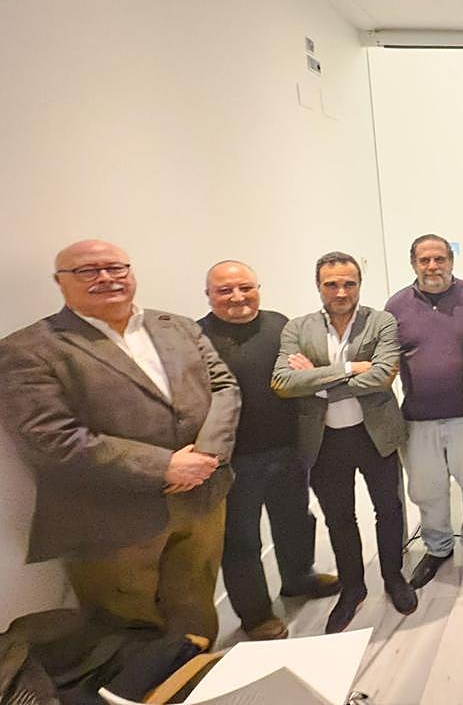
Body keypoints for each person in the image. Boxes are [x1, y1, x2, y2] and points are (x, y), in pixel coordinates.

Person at [0, 240, 239, 645]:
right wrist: (165, 466)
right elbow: (50, 437)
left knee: (196, 608)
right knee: (128, 630)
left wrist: (207, 454)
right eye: (87, 271)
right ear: (60, 283)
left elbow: (224, 386)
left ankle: (197, 679)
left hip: (201, 498)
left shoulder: (177, 325)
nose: (106, 278)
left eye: (116, 267)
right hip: (109, 518)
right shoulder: (28, 349)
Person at [272, 251, 416, 634]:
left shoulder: (381, 321)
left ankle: (393, 575)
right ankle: (352, 588)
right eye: (331, 284)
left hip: (375, 435)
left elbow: (383, 375)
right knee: (340, 518)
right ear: (318, 285)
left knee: (388, 508)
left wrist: (317, 381)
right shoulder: (297, 328)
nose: (340, 291)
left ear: (359, 285)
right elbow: (284, 383)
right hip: (324, 441)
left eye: (349, 283)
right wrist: (349, 369)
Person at [198, 260, 339, 641]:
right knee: (241, 539)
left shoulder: (279, 324)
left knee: (295, 520)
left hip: (288, 448)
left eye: (245, 287)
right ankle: (256, 615)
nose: (237, 297)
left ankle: (298, 578)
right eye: (224, 291)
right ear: (208, 295)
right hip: (233, 459)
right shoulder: (197, 337)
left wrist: (308, 368)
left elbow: (304, 373)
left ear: (258, 287)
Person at [386, 234, 463, 587]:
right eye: (424, 260)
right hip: (418, 419)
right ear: (413, 263)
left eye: (439, 259)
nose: (432, 267)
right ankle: (438, 548)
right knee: (427, 490)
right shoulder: (397, 306)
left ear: (451, 260)